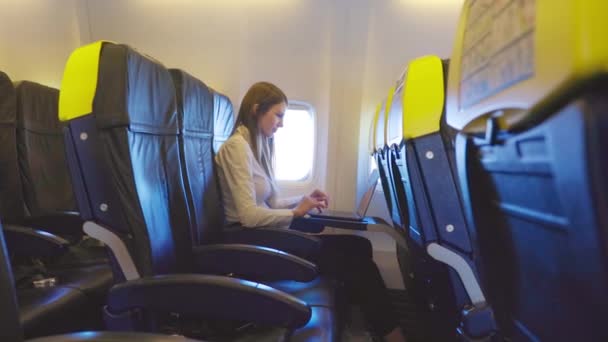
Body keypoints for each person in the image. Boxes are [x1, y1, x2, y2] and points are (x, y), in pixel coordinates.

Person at [215, 81, 406, 342]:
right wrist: (296, 214)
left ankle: (364, 328)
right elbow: (248, 216)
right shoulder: (237, 148)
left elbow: (272, 203)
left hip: (266, 233)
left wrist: (303, 200)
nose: (281, 123)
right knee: (355, 258)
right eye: (278, 115)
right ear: (257, 109)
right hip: (249, 240)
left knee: (359, 247)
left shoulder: (257, 146)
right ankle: (391, 335)